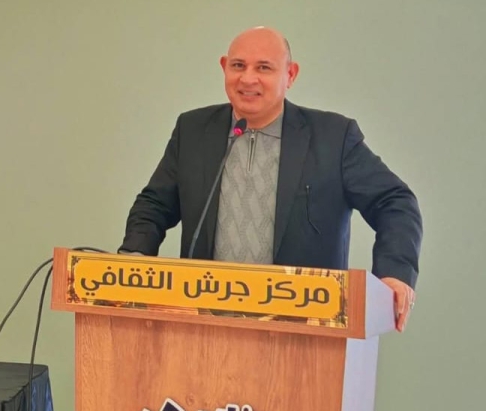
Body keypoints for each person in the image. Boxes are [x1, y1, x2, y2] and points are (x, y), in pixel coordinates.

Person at [120, 27, 423, 330]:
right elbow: (154, 205)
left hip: (302, 330)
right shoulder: (193, 130)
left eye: (264, 68)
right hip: (204, 327)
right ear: (224, 67)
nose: (248, 78)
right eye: (238, 65)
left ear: (290, 75)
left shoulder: (333, 138)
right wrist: (133, 259)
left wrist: (394, 273)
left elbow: (394, 202)